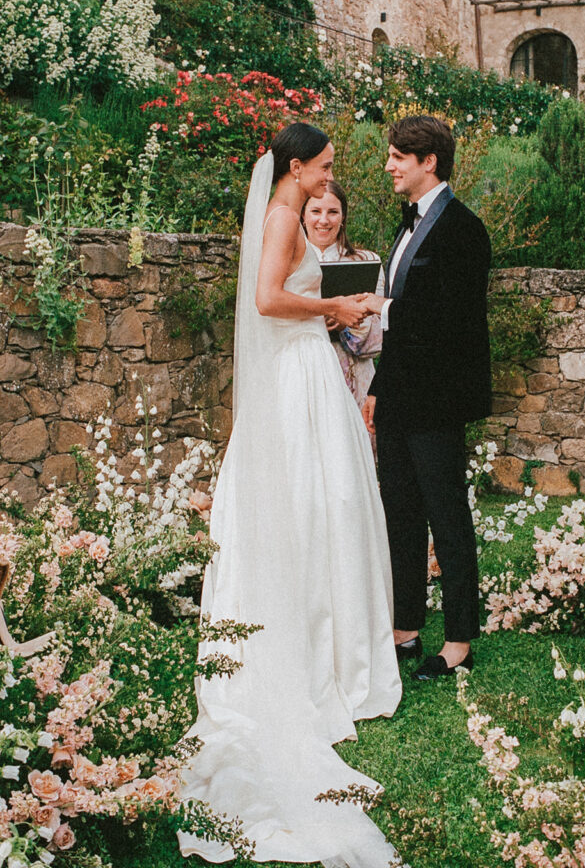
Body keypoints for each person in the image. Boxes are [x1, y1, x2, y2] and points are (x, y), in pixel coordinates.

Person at [178, 123, 402, 867]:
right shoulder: (279, 217)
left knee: (332, 506)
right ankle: (311, 657)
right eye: (326, 167)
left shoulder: (284, 213)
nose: (330, 177)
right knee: (315, 505)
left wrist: (339, 309)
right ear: (297, 168)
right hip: (295, 373)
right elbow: (270, 299)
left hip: (307, 374)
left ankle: (336, 651)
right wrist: (334, 311)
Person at [361, 115, 492, 682]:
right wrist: (376, 388)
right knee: (402, 516)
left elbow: (451, 321)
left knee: (447, 516)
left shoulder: (464, 230)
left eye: (397, 156)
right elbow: (399, 332)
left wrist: (378, 306)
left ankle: (460, 639)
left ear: (428, 162)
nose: (389, 165)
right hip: (398, 397)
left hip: (437, 400)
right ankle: (405, 629)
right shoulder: (407, 224)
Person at [302, 180, 385, 410]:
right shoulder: (288, 265)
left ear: (343, 217)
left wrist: (345, 325)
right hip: (305, 375)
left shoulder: (366, 261)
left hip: (355, 380)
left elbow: (380, 338)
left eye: (333, 212)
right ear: (303, 215)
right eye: (316, 211)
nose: (324, 220)